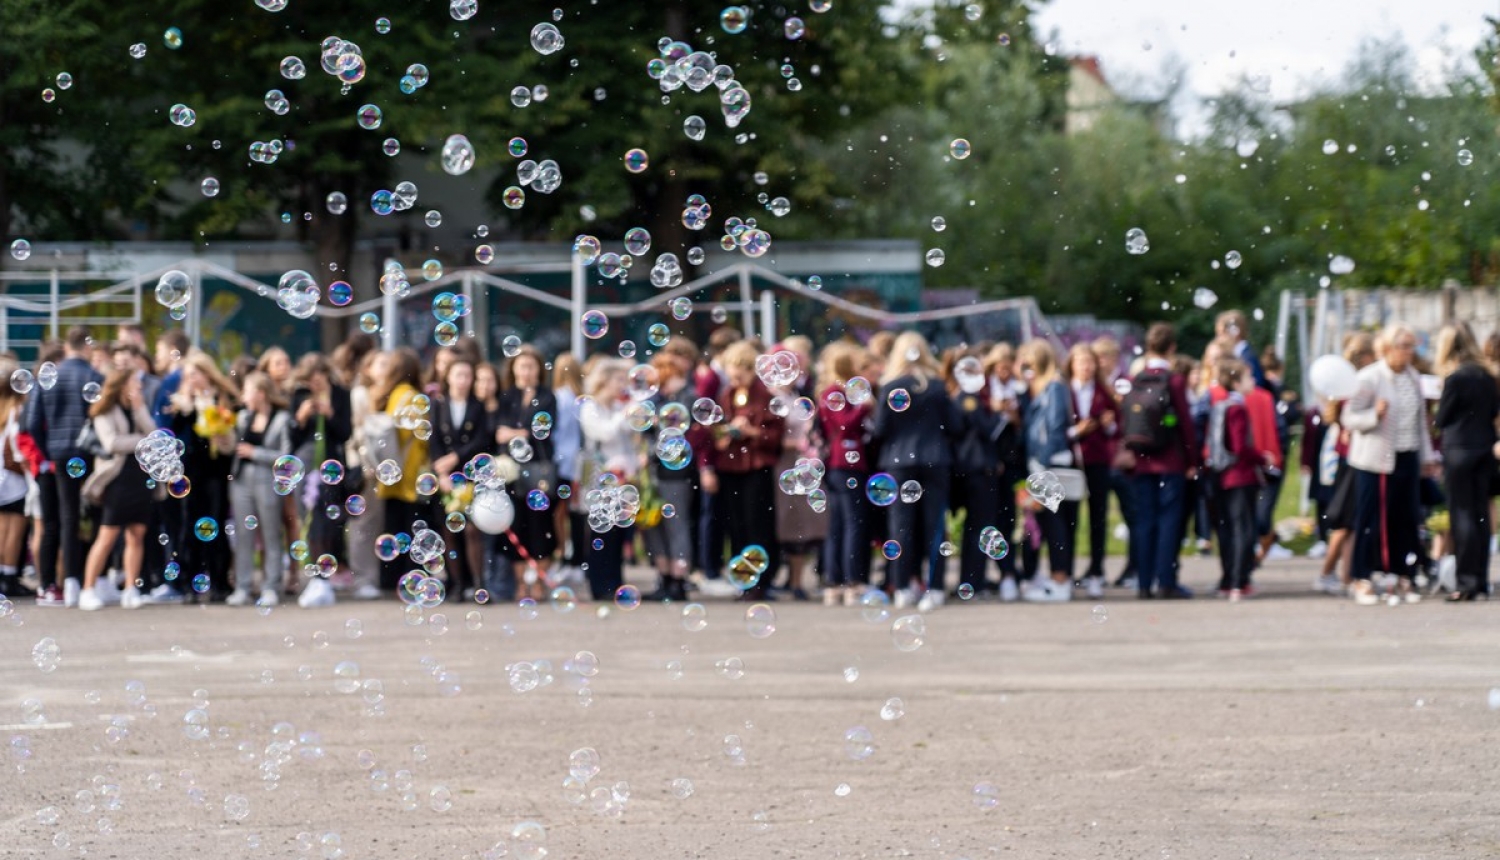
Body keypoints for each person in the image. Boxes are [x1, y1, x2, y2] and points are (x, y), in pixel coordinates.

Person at [1343, 324, 1437, 605]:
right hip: (1374, 460)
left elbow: (1421, 423)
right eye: (1404, 346)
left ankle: (1402, 574)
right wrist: (1374, 414)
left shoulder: (1413, 377)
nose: (1410, 352)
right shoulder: (1370, 378)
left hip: (1406, 455)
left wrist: (1427, 457)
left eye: (1412, 346)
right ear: (1387, 348)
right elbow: (1349, 417)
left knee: (1406, 518)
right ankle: (1362, 578)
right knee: (1370, 520)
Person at [872, 332, 958, 608]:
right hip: (935, 460)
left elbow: (880, 430)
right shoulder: (937, 387)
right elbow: (954, 426)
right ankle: (934, 588)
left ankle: (903, 587)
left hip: (899, 463)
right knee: (935, 527)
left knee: (900, 528)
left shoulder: (890, 387)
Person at [1120, 322, 1198, 600]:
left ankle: (1143, 582)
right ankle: (1165, 580)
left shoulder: (1135, 379)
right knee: (1168, 522)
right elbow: (1184, 423)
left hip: (1142, 462)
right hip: (1170, 462)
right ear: (1172, 348)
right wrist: (1193, 459)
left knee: (1143, 522)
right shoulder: (1174, 380)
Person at [27, 326, 104, 607]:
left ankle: (68, 582)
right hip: (90, 453)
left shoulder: (49, 377)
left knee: (66, 518)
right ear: (86, 346)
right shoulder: (94, 376)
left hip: (59, 455)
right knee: (96, 515)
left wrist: (48, 449)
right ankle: (94, 581)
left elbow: (33, 422)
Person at [702, 341, 784, 601]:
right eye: (732, 371)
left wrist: (752, 432)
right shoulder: (726, 395)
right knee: (735, 525)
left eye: (742, 371)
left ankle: (762, 580)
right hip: (730, 466)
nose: (736, 377)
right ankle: (742, 577)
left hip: (756, 467)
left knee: (757, 524)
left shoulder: (765, 397)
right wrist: (722, 436)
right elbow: (712, 431)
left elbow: (775, 435)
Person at [160, 350, 239, 603]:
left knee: (215, 522)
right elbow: (171, 434)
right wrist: (184, 406)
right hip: (189, 472)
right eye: (188, 375)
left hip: (216, 470)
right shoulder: (180, 403)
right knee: (189, 524)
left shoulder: (221, 401)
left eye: (195, 374)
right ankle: (188, 582)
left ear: (207, 374)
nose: (192, 379)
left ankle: (218, 581)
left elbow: (231, 437)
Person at [77, 368, 156, 610]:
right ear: (122, 385)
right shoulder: (104, 410)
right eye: (134, 381)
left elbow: (156, 435)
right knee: (107, 535)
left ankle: (131, 588)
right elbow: (111, 443)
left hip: (140, 477)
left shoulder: (137, 407)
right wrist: (142, 442)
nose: (139, 386)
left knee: (137, 534)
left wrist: (140, 409)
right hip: (118, 478)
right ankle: (88, 589)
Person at [1433, 323, 1497, 601]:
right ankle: (1480, 579)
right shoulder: (1487, 376)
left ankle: (1466, 581)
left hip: (1459, 449)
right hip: (1483, 448)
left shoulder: (1455, 378)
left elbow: (1442, 419)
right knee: (1481, 515)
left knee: (1462, 516)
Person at [1311, 333, 1378, 595]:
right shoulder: (1356, 386)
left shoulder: (1349, 386)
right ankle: (1327, 572)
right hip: (1351, 460)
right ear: (1365, 357)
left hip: (1346, 458)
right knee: (1345, 523)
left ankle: (1346, 576)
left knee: (1351, 523)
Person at [495, 345, 560, 600]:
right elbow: (499, 432)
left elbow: (539, 430)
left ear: (538, 370)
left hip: (538, 469)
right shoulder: (507, 396)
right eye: (521, 366)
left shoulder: (547, 396)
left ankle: (539, 581)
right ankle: (521, 582)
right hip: (511, 470)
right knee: (517, 524)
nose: (526, 371)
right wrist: (520, 433)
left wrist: (514, 432)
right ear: (513, 369)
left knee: (540, 525)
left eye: (531, 366)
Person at [287, 353, 352, 606]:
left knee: (326, 519)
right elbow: (292, 437)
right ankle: (316, 576)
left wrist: (330, 414)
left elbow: (345, 432)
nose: (314, 385)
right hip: (305, 465)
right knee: (309, 518)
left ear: (326, 375)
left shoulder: (340, 394)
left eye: (318, 380)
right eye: (310, 381)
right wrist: (301, 417)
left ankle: (323, 577)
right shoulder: (300, 397)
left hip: (331, 465)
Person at [1018, 340, 1079, 603]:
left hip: (1050, 465)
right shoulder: (1040, 389)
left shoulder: (1053, 386)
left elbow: (1055, 428)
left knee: (1056, 527)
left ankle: (1060, 580)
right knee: (1049, 525)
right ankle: (1056, 578)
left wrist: (1039, 464)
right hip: (1043, 464)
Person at [225, 373, 293, 607]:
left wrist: (256, 453)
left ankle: (271, 586)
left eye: (247, 390)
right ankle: (243, 587)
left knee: (271, 534)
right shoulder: (243, 417)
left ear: (261, 393)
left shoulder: (281, 419)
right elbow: (231, 447)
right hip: (241, 482)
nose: (243, 396)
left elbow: (286, 457)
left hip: (267, 481)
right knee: (244, 535)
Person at [642, 343, 702, 602]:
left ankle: (678, 580)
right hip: (654, 471)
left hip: (676, 471)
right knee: (655, 524)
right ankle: (664, 577)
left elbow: (681, 433)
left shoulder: (686, 397)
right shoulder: (656, 402)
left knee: (676, 525)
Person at [430, 355, 490, 602]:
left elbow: (481, 440)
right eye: (459, 375)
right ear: (448, 377)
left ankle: (478, 584)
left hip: (470, 474)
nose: (463, 381)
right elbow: (432, 440)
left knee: (473, 530)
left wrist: (456, 457)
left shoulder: (478, 406)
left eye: (468, 376)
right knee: (449, 530)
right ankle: (456, 584)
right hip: (445, 477)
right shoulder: (437, 405)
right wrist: (441, 473)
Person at [817, 342, 873, 606]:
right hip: (845, 463)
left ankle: (836, 581)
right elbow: (844, 425)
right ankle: (850, 581)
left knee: (839, 524)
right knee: (851, 524)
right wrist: (863, 406)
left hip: (840, 464)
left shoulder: (835, 392)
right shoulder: (835, 393)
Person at [371, 347, 430, 591]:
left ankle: (389, 581)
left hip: (391, 472)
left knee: (393, 529)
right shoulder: (414, 396)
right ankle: (412, 579)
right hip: (411, 473)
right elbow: (420, 435)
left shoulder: (392, 393)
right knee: (412, 530)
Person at [578, 359, 637, 601]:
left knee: (618, 532)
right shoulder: (590, 407)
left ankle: (615, 581)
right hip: (599, 477)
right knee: (601, 532)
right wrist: (626, 413)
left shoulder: (615, 407)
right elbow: (605, 432)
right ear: (604, 381)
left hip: (620, 478)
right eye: (619, 380)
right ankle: (600, 584)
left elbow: (627, 441)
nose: (623, 386)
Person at [770, 337, 824, 601]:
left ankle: (796, 580)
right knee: (787, 524)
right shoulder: (774, 398)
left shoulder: (796, 396)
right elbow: (769, 436)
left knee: (801, 525)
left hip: (800, 466)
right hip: (784, 466)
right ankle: (786, 578)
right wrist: (797, 442)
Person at [1204, 360, 1262, 601]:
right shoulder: (1238, 408)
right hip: (1240, 475)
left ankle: (1228, 579)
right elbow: (1239, 447)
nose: (1254, 382)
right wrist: (1261, 456)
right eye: (1249, 378)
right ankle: (1239, 581)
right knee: (1244, 530)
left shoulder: (1220, 405)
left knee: (1227, 529)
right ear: (1237, 382)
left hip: (1221, 475)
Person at [1065, 342, 1118, 597]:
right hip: (1072, 461)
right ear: (1072, 365)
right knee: (1069, 518)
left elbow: (1115, 428)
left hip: (1098, 460)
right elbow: (1055, 427)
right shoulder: (1064, 391)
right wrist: (1076, 431)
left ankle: (1096, 571)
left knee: (1098, 517)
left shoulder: (1103, 392)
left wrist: (1108, 425)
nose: (1086, 367)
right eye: (1081, 362)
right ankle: (1067, 572)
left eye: (1090, 363)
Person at [985, 343, 1028, 599]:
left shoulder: (1019, 391)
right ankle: (984, 574)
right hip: (987, 465)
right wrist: (994, 411)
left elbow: (1026, 429)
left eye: (1007, 368)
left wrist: (1015, 419)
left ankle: (1009, 573)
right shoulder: (983, 391)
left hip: (1012, 465)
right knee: (984, 522)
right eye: (999, 368)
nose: (1004, 373)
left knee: (1008, 520)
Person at [343, 349, 385, 601]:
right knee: (362, 524)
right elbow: (360, 431)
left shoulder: (385, 394)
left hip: (381, 468)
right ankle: (362, 578)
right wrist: (364, 463)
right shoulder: (361, 394)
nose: (385, 368)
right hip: (367, 466)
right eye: (380, 363)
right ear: (367, 369)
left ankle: (372, 577)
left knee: (375, 524)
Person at [0, 358, 31, 599]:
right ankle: (9, 577)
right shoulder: (16, 411)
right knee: (15, 530)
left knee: (2, 528)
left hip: (2, 475)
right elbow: (17, 443)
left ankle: (3, 575)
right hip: (14, 477)